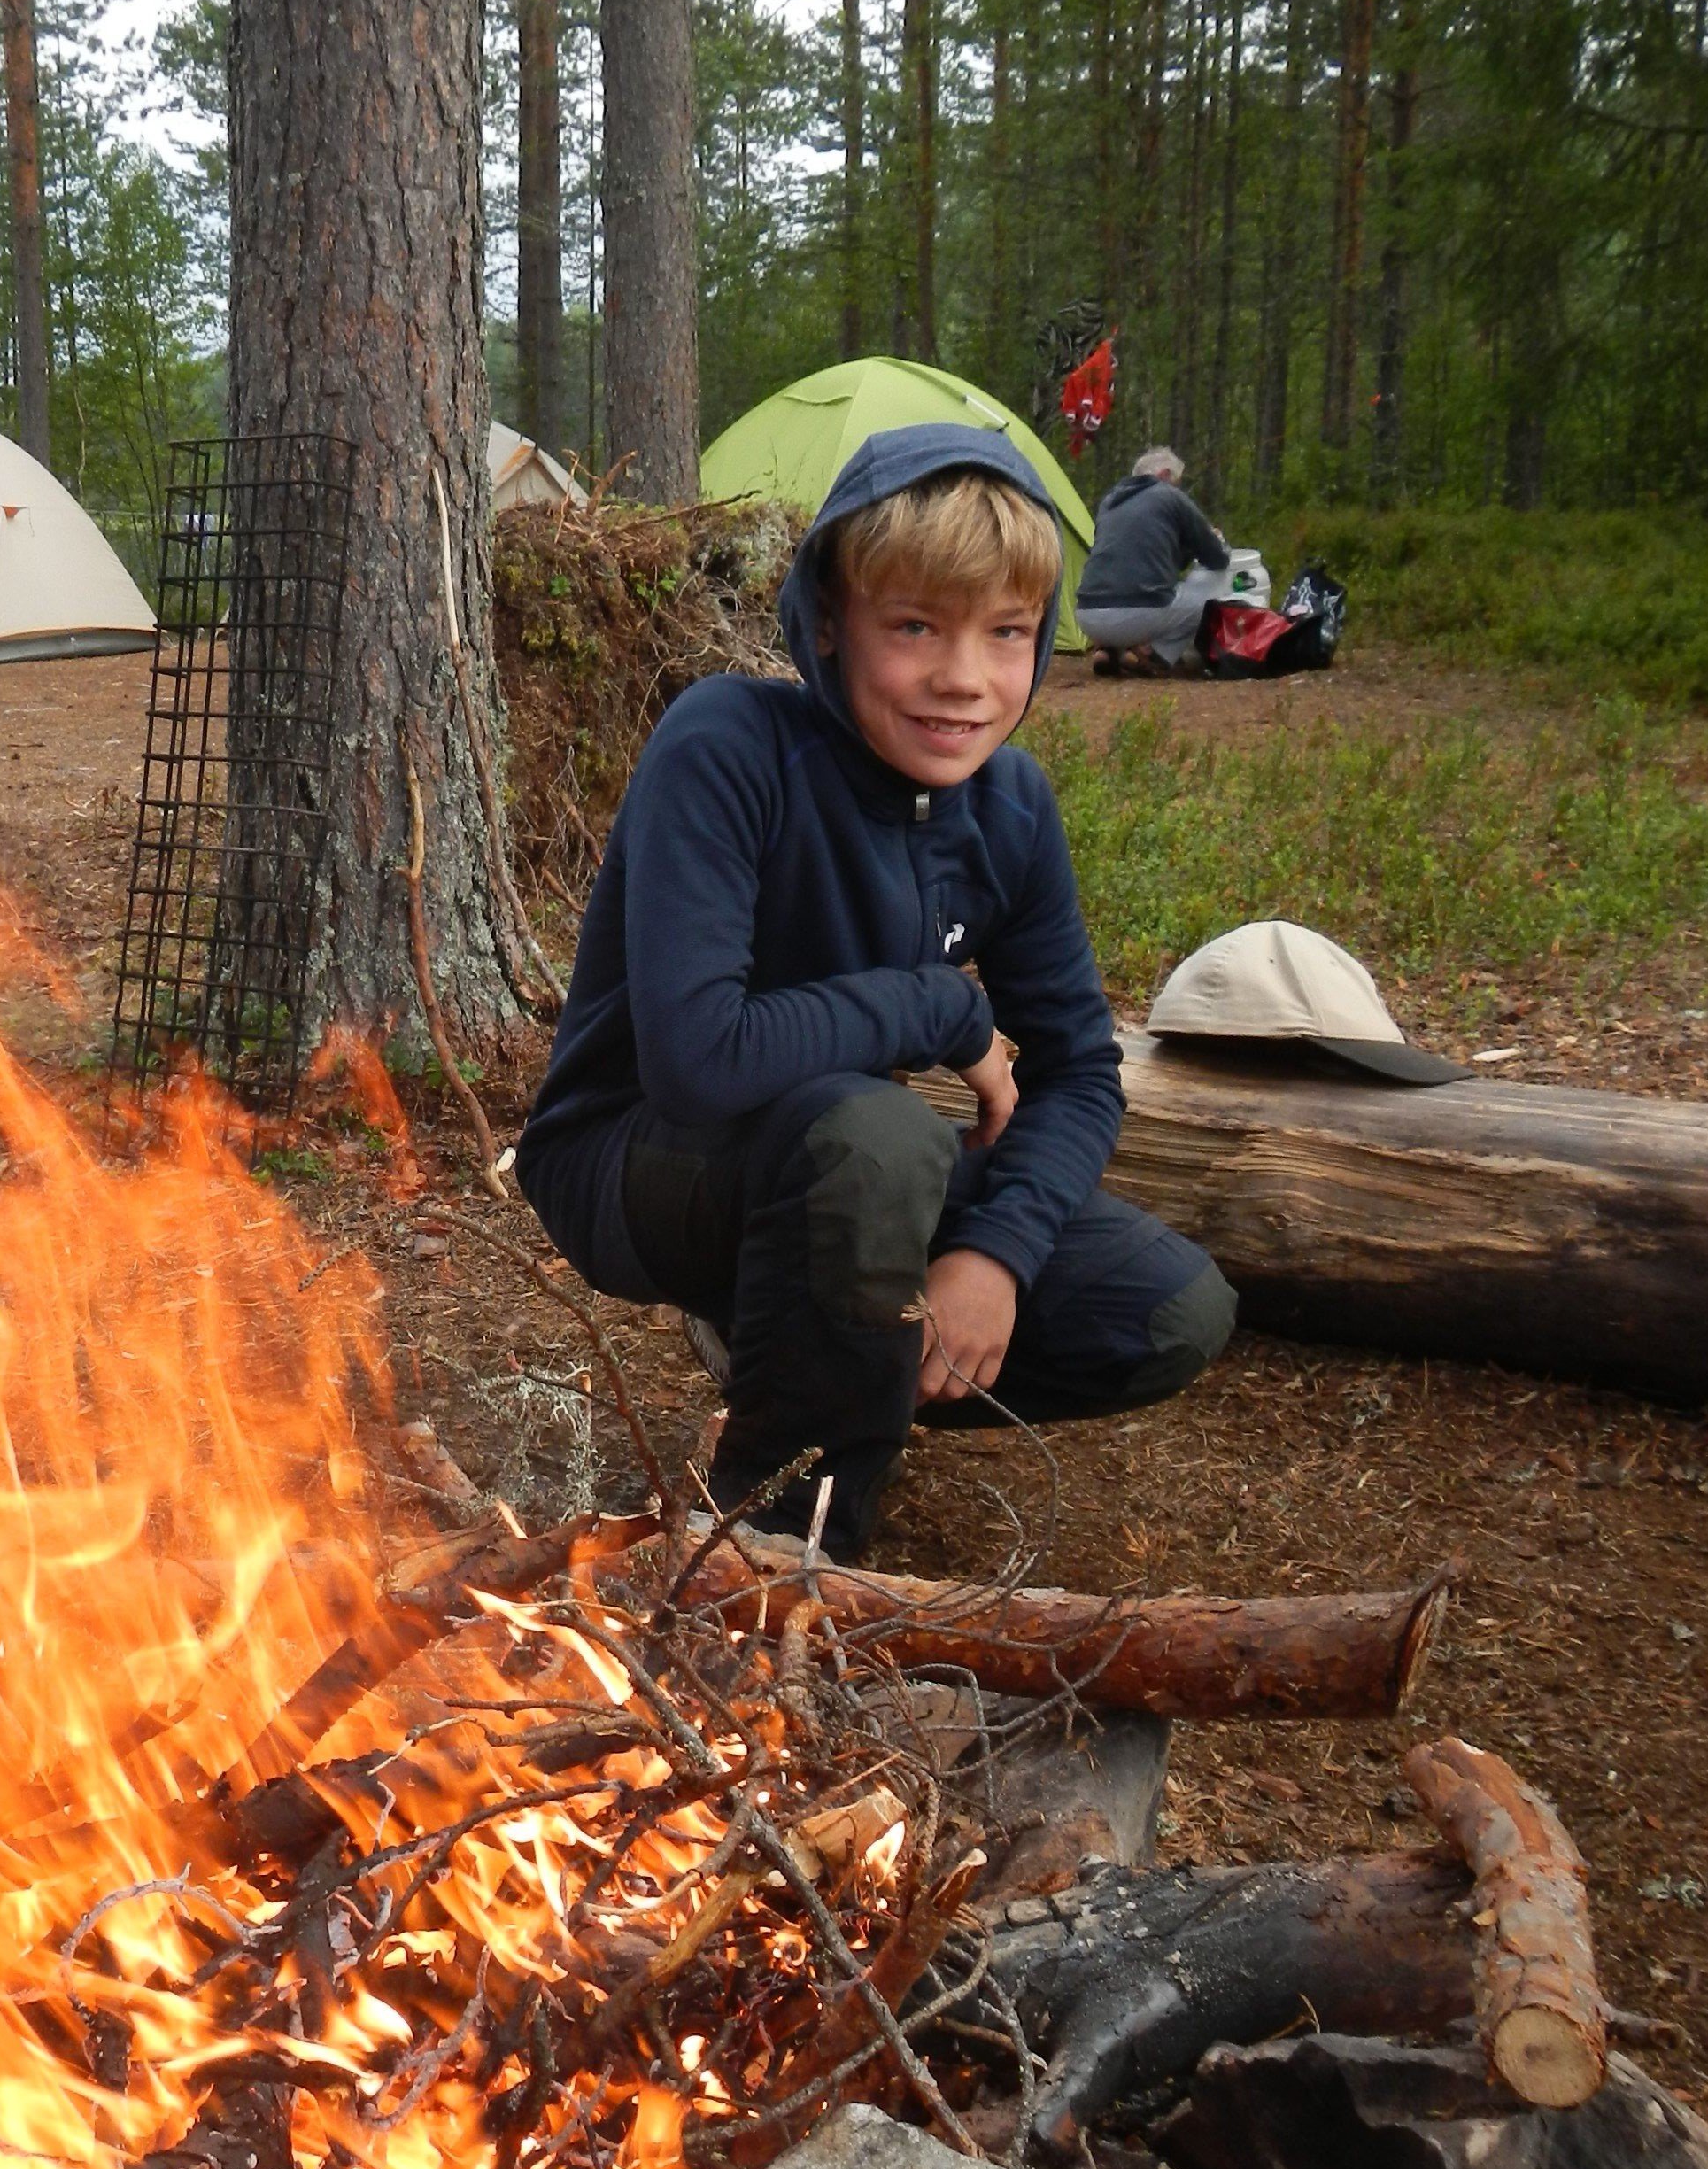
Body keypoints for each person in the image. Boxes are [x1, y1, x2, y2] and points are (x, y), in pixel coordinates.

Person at [513, 424, 1238, 1560]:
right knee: (878, 1138)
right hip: (637, 1155)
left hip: (846, 1169)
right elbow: (699, 1060)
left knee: (1164, 1309)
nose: (965, 677)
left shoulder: (1010, 808)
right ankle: (769, 1565)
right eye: (915, 626)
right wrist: (944, 1006)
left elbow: (1081, 1071)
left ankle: (795, 1345)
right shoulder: (729, 743)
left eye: (1005, 634)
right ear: (831, 625)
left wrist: (993, 1256)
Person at [1074, 445, 1232, 675]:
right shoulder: (1169, 496)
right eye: (1177, 481)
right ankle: (1152, 656)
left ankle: (1109, 651)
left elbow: (1150, 562)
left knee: (1128, 587)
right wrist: (1216, 539)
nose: (1178, 488)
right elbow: (1217, 559)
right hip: (1138, 614)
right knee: (1210, 599)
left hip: (1087, 615)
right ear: (1165, 475)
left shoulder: (1109, 502)